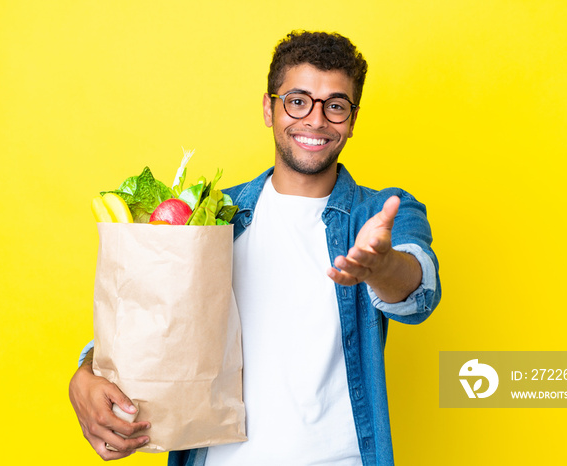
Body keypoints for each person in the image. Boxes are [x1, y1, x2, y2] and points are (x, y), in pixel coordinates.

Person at [69, 30, 441, 465]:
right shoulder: (213, 216)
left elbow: (419, 292)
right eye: (298, 100)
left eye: (336, 106)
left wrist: (380, 266)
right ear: (269, 108)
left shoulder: (381, 213)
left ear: (352, 120)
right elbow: (148, 320)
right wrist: (86, 370)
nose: (316, 120)